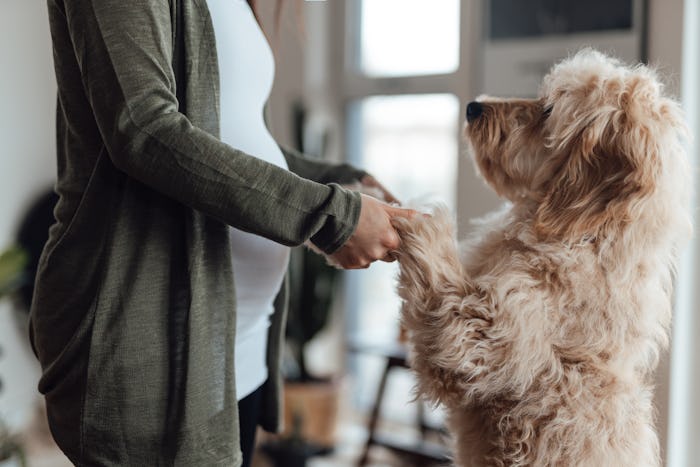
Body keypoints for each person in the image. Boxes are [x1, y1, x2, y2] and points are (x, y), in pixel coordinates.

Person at [30, 1, 415, 466]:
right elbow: (144, 129)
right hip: (148, 340)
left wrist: (339, 180)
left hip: (244, 340)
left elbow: (232, 136)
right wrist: (331, 215)